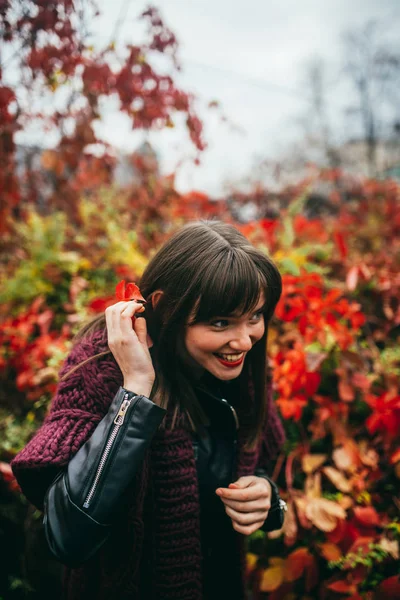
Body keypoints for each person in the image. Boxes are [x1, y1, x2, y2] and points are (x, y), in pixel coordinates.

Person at [11, 220, 286, 600]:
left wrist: (269, 500)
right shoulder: (101, 369)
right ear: (164, 306)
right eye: (221, 322)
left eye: (254, 316)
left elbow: (261, 470)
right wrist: (135, 391)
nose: (244, 340)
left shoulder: (243, 376)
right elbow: (67, 535)